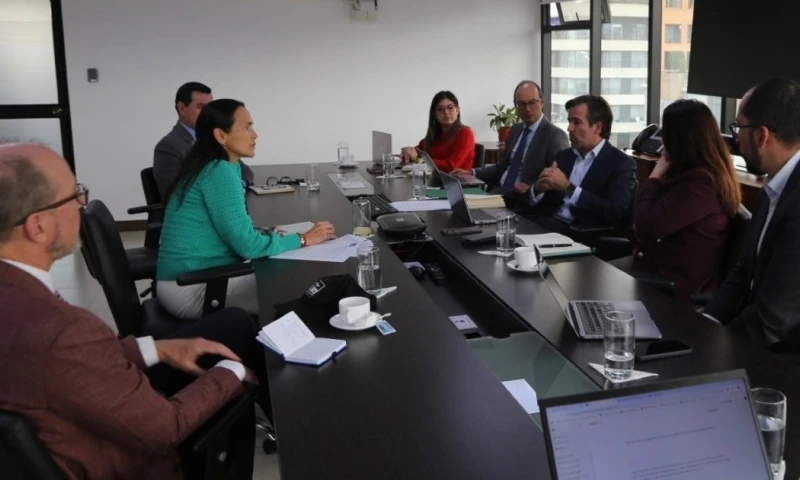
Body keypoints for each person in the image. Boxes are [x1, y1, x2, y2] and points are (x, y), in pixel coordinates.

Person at [0, 142, 266, 479]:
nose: (81, 204)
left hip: (86, 405)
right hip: (131, 459)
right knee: (235, 371)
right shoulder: (64, 331)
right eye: (73, 196)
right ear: (38, 226)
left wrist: (154, 347)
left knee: (233, 323)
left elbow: (73, 362)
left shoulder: (17, 295)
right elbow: (165, 427)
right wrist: (231, 374)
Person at [156, 99, 335, 319]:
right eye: (247, 127)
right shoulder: (218, 171)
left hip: (191, 277)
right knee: (300, 285)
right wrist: (302, 239)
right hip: (192, 288)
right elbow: (248, 247)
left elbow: (231, 229)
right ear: (221, 136)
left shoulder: (215, 165)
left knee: (288, 270)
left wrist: (265, 233)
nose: (255, 134)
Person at [610, 99, 741, 303]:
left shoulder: (701, 184)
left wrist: (655, 174)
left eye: (666, 132)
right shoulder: (696, 175)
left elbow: (646, 225)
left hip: (672, 286)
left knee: (594, 281)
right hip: (656, 270)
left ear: (679, 139)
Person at [704, 77, 800, 347]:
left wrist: (710, 348)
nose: (736, 139)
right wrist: (706, 323)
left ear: (761, 136)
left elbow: (773, 321)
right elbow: (744, 270)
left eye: (738, 128)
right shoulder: (774, 186)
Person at [525, 94, 636, 234]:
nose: (569, 128)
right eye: (569, 121)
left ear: (597, 128)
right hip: (546, 224)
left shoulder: (621, 164)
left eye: (576, 122)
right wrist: (537, 189)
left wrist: (568, 187)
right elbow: (539, 204)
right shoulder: (564, 156)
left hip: (582, 234)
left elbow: (613, 212)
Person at [454, 81, 569, 201]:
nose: (527, 108)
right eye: (522, 104)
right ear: (516, 106)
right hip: (497, 194)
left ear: (542, 102)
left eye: (532, 102)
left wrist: (533, 189)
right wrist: (471, 173)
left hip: (523, 201)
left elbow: (557, 179)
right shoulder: (516, 129)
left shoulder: (555, 136)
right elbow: (501, 167)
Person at [153, 82, 254, 197]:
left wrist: (239, 184)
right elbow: (175, 195)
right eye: (201, 107)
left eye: (210, 107)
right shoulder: (168, 146)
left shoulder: (217, 137)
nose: (207, 113)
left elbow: (245, 171)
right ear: (181, 108)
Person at [400, 91, 475, 173]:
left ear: (457, 110)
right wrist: (407, 152)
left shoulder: (465, 133)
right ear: (434, 114)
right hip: (433, 181)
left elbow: (451, 167)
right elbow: (416, 152)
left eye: (450, 108)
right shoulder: (436, 135)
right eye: (440, 109)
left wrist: (418, 160)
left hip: (457, 183)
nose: (446, 112)